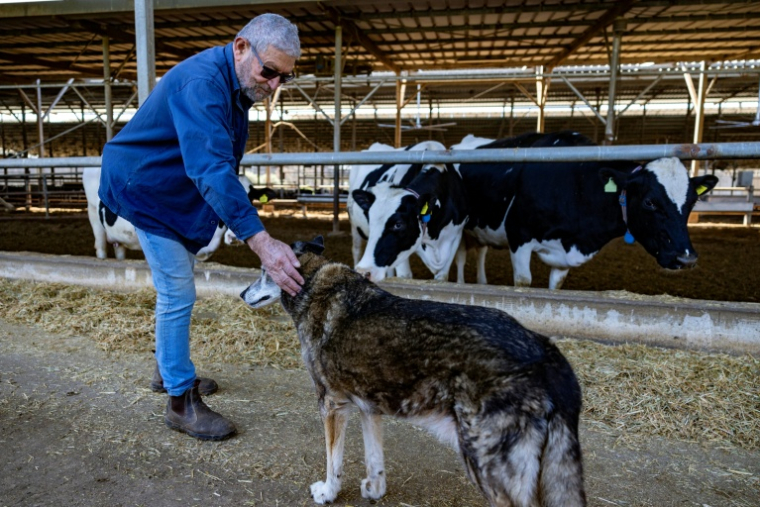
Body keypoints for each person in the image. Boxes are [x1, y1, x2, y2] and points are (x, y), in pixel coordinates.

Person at [98, 13, 304, 441]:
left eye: (284, 78)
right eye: (270, 72)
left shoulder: (237, 86)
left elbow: (217, 163)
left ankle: (167, 368)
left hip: (171, 186)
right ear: (242, 47)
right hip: (145, 186)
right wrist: (261, 241)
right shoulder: (203, 85)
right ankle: (179, 401)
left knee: (178, 281)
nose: (274, 86)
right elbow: (210, 168)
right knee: (178, 289)